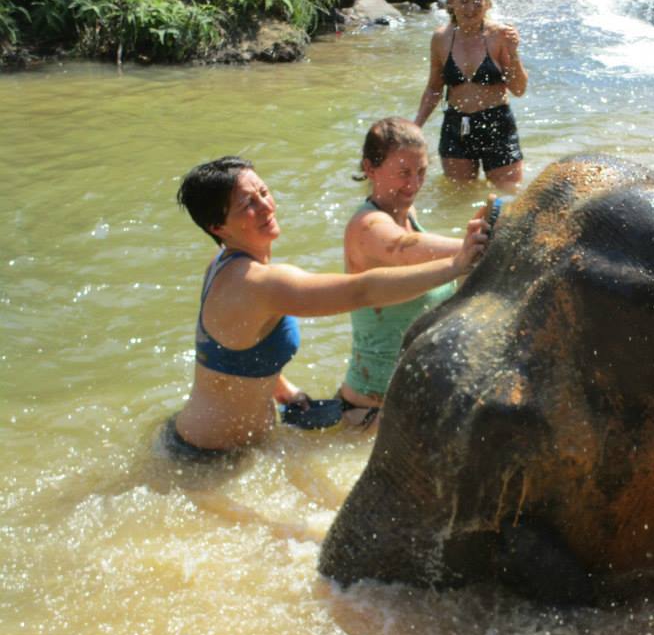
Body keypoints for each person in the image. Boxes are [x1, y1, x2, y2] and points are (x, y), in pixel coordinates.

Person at [169, 156, 488, 458]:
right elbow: (361, 291)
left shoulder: (222, 264)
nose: (265, 206)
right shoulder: (258, 283)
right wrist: (456, 265)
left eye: (263, 192)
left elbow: (240, 349)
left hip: (216, 441)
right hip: (206, 458)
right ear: (218, 227)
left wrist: (286, 392)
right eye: (247, 205)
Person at [337, 118, 490, 428]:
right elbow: (403, 248)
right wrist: (470, 245)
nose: (414, 184)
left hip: (413, 404)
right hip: (371, 413)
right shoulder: (366, 226)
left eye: (421, 172)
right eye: (403, 173)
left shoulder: (409, 216)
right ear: (370, 168)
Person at [414, 0, 528, 191]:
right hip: (456, 126)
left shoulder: (500, 36)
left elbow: (519, 90)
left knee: (508, 193)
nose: (470, 9)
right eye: (464, 1)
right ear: (451, 2)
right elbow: (434, 89)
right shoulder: (441, 38)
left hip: (497, 126)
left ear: (487, 5)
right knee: (459, 197)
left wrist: (514, 53)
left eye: (478, 2)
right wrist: (416, 126)